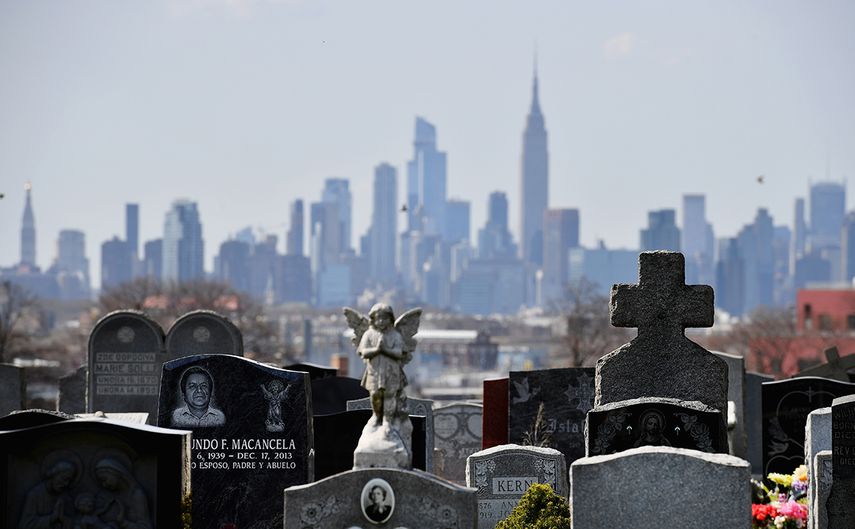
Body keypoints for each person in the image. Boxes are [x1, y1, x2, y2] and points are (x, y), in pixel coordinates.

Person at [358, 304, 406, 425]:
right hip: (374, 372)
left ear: (390, 319)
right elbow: (363, 352)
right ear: (373, 319)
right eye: (378, 318)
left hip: (391, 372)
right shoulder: (368, 334)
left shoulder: (395, 335)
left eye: (385, 318)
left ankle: (387, 419)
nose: (381, 321)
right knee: (375, 395)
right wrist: (377, 350)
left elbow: (399, 353)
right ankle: (376, 415)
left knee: (390, 395)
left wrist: (385, 350)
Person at [18, 452, 79, 529]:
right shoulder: (35, 495)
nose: (66, 484)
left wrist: (63, 519)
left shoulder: (66, 498)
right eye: (64, 479)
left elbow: (73, 523)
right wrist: (52, 518)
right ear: (54, 474)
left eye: (69, 481)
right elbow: (25, 525)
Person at [93, 456, 152, 529]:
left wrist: (124, 523)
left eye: (104, 479)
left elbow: (145, 527)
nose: (104, 485)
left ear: (114, 473)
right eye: (101, 482)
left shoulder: (136, 495)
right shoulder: (111, 496)